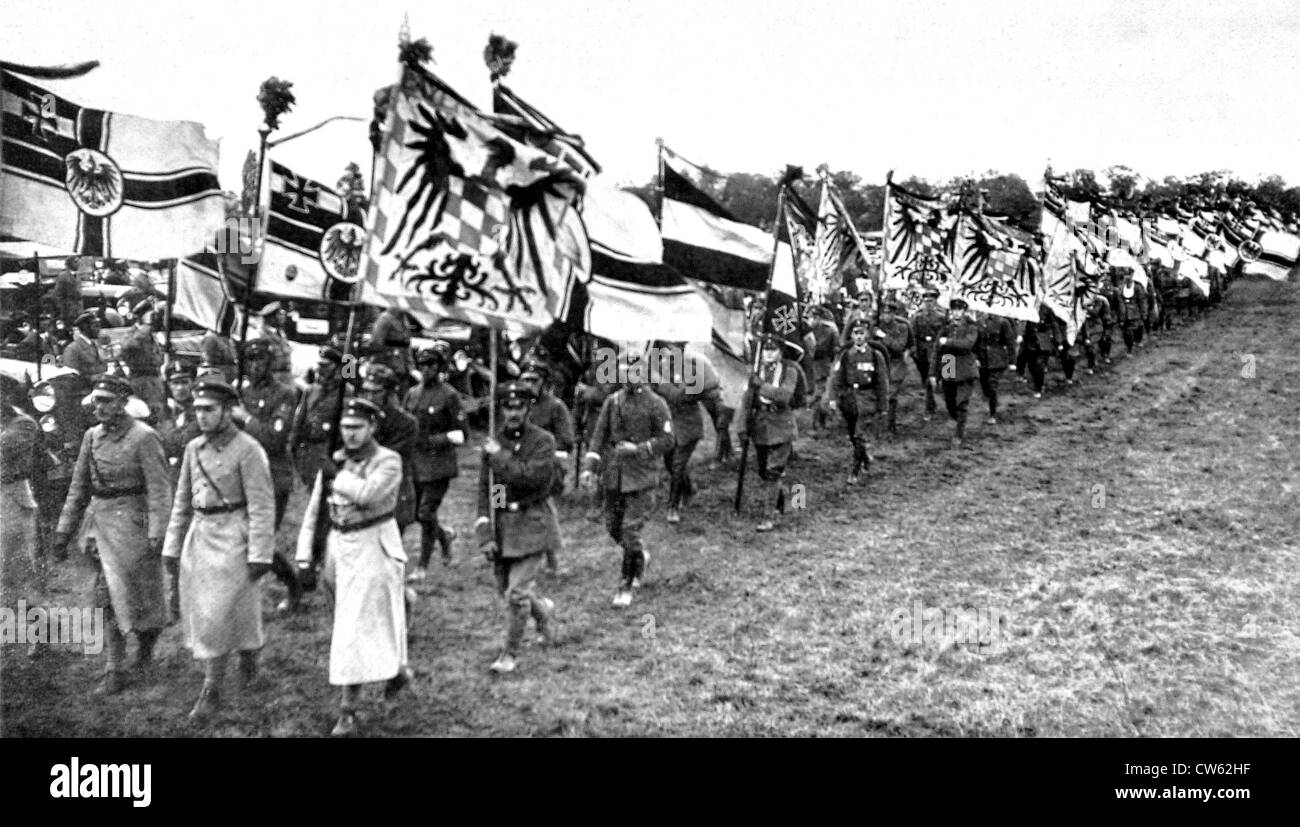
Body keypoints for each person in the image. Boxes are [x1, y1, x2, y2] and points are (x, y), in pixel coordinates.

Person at [295, 397, 410, 737]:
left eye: (358, 428)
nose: (351, 435)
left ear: (372, 427)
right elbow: (315, 511)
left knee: (353, 630)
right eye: (345, 428)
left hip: (373, 545)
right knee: (348, 626)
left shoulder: (388, 460)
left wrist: (338, 475)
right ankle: (395, 671)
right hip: (339, 548)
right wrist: (305, 557)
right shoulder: (337, 461)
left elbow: (370, 494)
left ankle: (348, 711)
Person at [162, 377, 276, 720]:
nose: (202, 416)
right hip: (201, 535)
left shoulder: (248, 449)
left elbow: (262, 506)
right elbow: (182, 500)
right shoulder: (193, 448)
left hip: (233, 534)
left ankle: (218, 681)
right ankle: (219, 677)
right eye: (197, 410)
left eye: (209, 410)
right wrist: (172, 544)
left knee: (230, 608)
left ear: (227, 411)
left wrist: (259, 553)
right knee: (207, 613)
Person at [52, 374, 172, 696]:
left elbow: (160, 491)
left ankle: (145, 647)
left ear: (123, 403)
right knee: (107, 596)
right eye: (96, 400)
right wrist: (63, 532)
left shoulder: (144, 438)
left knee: (144, 599)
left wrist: (158, 533)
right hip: (99, 524)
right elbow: (78, 488)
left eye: (105, 400)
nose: (98, 406)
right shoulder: (91, 437)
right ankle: (114, 669)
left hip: (135, 524)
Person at [580, 346, 674, 607]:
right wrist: (589, 468)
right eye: (623, 369)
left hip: (642, 477)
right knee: (613, 527)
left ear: (643, 372)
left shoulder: (656, 404)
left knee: (630, 530)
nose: (628, 374)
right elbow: (598, 438)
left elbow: (668, 440)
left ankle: (626, 585)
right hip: (614, 476)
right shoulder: (612, 402)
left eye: (634, 369)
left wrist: (640, 449)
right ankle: (639, 556)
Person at [475, 382, 559, 673]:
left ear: (528, 409)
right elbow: (490, 490)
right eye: (508, 407)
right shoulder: (494, 442)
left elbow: (530, 479)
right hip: (504, 526)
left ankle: (509, 654)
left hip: (533, 522)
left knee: (515, 595)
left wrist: (499, 455)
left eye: (519, 407)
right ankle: (542, 611)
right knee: (507, 591)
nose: (513, 412)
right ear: (501, 409)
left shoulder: (542, 441)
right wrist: (486, 530)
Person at [240, 339, 303, 612]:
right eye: (251, 361)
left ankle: (293, 585)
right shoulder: (241, 393)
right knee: (244, 536)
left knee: (262, 538)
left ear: (270, 363)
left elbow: (275, 439)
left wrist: (244, 418)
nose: (255, 367)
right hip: (243, 474)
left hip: (273, 476)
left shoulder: (285, 394)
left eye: (261, 361)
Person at [403, 347, 466, 580]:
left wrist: (436, 440)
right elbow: (406, 423)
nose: (426, 370)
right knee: (418, 514)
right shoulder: (412, 394)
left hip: (439, 463)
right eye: (422, 365)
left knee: (426, 511)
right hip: (416, 462)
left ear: (439, 368)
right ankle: (444, 536)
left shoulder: (449, 396)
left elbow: (461, 433)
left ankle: (422, 566)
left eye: (431, 365)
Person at [647, 343, 727, 524]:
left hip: (688, 427)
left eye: (672, 349)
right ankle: (689, 488)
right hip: (668, 426)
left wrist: (658, 382)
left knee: (677, 464)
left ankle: (672, 506)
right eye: (665, 349)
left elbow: (680, 395)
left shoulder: (693, 370)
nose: (668, 353)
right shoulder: (660, 367)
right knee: (669, 462)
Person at [736, 335, 802, 532]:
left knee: (773, 472)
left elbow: (784, 396)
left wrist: (761, 386)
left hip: (781, 425)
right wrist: (741, 427)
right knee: (764, 471)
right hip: (760, 426)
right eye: (765, 349)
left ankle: (768, 516)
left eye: (773, 349)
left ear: (781, 352)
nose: (769, 353)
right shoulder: (756, 371)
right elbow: (747, 401)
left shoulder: (789, 371)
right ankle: (782, 502)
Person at [518, 358, 573, 570]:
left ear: (543, 382)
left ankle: (552, 561)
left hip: (546, 469)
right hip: (517, 467)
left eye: (534, 380)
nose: (530, 385)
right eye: (526, 380)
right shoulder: (516, 406)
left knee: (543, 512)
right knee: (507, 508)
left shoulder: (555, 407)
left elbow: (566, 441)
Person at [825, 320, 889, 484]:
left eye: (862, 333)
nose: (859, 337)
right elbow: (836, 378)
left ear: (867, 334)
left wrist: (883, 405)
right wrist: (832, 398)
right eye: (856, 333)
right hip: (849, 398)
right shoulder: (845, 355)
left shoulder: (876, 355)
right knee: (853, 435)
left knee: (860, 435)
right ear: (852, 335)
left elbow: (882, 382)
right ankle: (865, 456)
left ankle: (854, 470)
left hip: (867, 398)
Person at [360, 363, 418, 536]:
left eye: (376, 392)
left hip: (392, 494)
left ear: (388, 393)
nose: (370, 396)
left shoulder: (405, 423)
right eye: (367, 391)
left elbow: (389, 457)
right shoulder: (358, 417)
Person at [1, 375, 42, 602]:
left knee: (16, 567)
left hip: (11, 498)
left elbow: (4, 448)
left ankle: (38, 627)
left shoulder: (23, 424)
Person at [928, 296, 981, 448]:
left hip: (965, 366)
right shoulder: (946, 327)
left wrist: (948, 342)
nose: (957, 313)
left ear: (964, 311)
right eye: (954, 310)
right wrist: (933, 374)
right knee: (950, 402)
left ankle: (959, 433)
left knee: (961, 403)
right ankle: (958, 421)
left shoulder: (971, 326)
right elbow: (937, 351)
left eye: (960, 310)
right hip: (948, 363)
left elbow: (968, 344)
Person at [292, 345, 345, 488]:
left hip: (328, 449)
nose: (320, 370)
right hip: (308, 450)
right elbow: (299, 420)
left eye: (326, 366)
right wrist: (292, 445)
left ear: (336, 368)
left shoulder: (345, 393)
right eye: (319, 365)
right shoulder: (311, 390)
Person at [118, 299, 166, 423]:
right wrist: (145, 328)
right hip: (141, 380)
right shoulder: (132, 334)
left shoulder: (152, 335)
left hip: (155, 379)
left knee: (158, 412)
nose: (155, 318)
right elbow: (128, 346)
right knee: (144, 413)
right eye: (151, 315)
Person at [875, 297, 913, 434]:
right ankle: (885, 425)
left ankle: (888, 426)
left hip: (896, 365)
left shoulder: (902, 327)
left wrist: (883, 336)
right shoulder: (875, 326)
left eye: (889, 313)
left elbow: (899, 346)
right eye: (884, 313)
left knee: (890, 394)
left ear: (894, 314)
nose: (886, 316)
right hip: (880, 365)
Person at [909, 287, 946, 421]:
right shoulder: (917, 317)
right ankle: (932, 404)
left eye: (931, 301)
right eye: (926, 301)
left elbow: (946, 332)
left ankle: (928, 408)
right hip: (922, 352)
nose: (928, 304)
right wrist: (913, 351)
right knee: (926, 378)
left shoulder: (942, 317)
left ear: (936, 301)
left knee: (937, 378)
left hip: (937, 351)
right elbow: (912, 334)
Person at [158, 362, 201, 472]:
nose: (180, 387)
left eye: (185, 382)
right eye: (175, 383)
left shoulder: (199, 409)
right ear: (168, 385)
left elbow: (182, 442)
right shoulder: (163, 410)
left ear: (192, 384)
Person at [975, 310, 1016, 424]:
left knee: (992, 386)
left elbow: (1010, 342)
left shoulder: (1003, 322)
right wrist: (976, 358)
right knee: (985, 387)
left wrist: (1012, 361)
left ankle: (992, 414)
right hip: (982, 360)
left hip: (997, 359)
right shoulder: (979, 322)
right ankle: (990, 399)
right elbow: (976, 342)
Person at [368, 307, 415, 397]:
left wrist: (410, 368)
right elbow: (376, 345)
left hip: (402, 371)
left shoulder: (404, 321)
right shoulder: (384, 319)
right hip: (388, 370)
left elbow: (407, 347)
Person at [61, 311, 107, 379]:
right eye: (95, 326)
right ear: (86, 328)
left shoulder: (95, 345)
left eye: (99, 326)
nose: (99, 330)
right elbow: (70, 377)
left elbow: (103, 367)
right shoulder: (72, 349)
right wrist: (92, 378)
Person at [258, 302, 295, 386]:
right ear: (271, 317)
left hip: (285, 378)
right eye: (280, 314)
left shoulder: (280, 333)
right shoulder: (262, 335)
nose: (284, 317)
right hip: (272, 380)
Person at [1116, 269, 1148, 354]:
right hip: (1123, 312)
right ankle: (1129, 345)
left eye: (1129, 275)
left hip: (1134, 312)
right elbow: (1118, 301)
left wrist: (1144, 313)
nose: (1127, 277)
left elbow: (1142, 301)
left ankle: (1130, 347)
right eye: (1126, 276)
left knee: (1131, 330)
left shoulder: (1137, 287)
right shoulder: (1120, 287)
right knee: (1125, 332)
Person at [1081, 293, 1114, 374]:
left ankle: (1091, 365)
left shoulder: (1099, 300)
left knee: (1091, 346)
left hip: (1095, 326)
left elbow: (1095, 312)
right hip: (1084, 326)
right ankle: (1093, 361)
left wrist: (1085, 308)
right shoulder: (1079, 299)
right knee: (1088, 347)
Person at [51, 256, 83, 325]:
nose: (78, 263)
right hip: (67, 310)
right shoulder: (63, 276)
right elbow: (57, 294)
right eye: (75, 262)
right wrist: (62, 310)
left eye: (78, 261)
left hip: (78, 309)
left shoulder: (78, 275)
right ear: (70, 263)